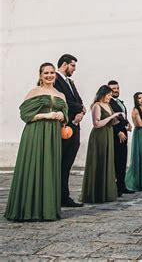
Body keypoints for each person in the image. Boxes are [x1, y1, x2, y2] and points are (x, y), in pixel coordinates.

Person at [4, 63, 67, 221]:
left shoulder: (61, 94)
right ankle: (27, 210)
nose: (49, 75)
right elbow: (25, 114)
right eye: (46, 73)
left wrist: (62, 116)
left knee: (49, 168)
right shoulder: (34, 92)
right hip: (35, 133)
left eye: (52, 72)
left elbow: (66, 115)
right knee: (33, 165)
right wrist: (46, 116)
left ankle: (47, 210)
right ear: (40, 75)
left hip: (53, 136)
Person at [81, 85, 121, 204]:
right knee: (99, 161)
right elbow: (97, 124)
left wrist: (121, 121)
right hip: (99, 136)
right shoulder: (96, 106)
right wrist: (112, 116)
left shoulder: (107, 105)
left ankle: (106, 192)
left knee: (107, 161)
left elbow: (112, 121)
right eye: (108, 95)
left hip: (108, 134)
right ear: (102, 94)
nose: (110, 97)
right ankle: (97, 193)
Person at [54, 54, 85, 207]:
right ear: (65, 64)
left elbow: (78, 100)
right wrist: (80, 109)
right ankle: (60, 197)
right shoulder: (56, 80)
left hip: (75, 125)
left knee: (67, 163)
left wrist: (81, 111)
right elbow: (64, 100)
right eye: (73, 66)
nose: (74, 69)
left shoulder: (70, 82)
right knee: (62, 163)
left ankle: (63, 196)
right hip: (64, 126)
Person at [108, 80, 134, 196]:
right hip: (115, 134)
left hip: (124, 133)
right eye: (113, 89)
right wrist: (118, 131)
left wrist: (128, 123)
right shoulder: (108, 103)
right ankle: (116, 187)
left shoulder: (119, 102)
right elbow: (110, 119)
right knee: (116, 160)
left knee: (123, 159)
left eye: (117, 88)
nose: (116, 91)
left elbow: (122, 115)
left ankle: (122, 185)